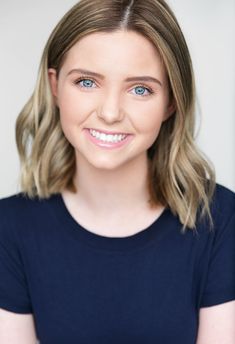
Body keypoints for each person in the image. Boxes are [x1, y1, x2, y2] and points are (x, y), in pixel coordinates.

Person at [0, 0, 234, 342]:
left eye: (140, 89)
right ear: (55, 86)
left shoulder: (221, 220)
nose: (110, 112)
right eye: (86, 82)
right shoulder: (9, 229)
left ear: (171, 102)